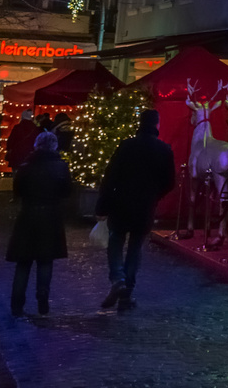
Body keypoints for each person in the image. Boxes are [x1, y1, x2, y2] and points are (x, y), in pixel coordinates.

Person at [95, 108, 174, 311]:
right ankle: (126, 292)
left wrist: (102, 205)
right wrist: (155, 196)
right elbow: (169, 181)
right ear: (157, 125)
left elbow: (110, 175)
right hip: (145, 206)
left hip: (121, 203)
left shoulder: (126, 146)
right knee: (135, 248)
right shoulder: (164, 149)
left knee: (115, 241)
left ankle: (118, 279)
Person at [7, 130, 74, 316]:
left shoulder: (26, 166)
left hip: (28, 216)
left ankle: (17, 304)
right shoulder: (61, 167)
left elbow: (18, 191)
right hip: (50, 216)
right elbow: (67, 191)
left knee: (23, 262)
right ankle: (42, 299)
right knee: (45, 261)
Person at [7, 108, 41, 173]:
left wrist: (10, 149)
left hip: (17, 153)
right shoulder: (34, 128)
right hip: (30, 154)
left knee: (17, 172)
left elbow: (11, 141)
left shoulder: (17, 127)